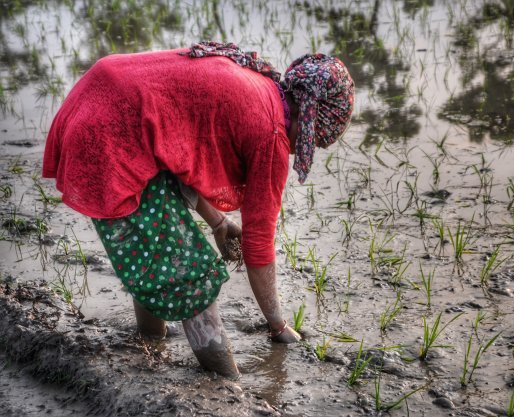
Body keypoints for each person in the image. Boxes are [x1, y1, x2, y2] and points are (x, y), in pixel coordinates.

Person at [42, 41, 354, 378]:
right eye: (311, 141)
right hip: (110, 132)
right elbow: (259, 245)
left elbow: (175, 150)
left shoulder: (259, 85)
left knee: (154, 257)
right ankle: (227, 385)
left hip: (102, 95)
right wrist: (278, 326)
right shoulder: (273, 132)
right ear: (308, 121)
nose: (299, 150)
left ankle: (150, 346)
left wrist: (218, 222)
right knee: (190, 273)